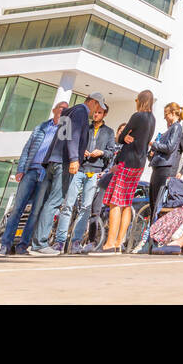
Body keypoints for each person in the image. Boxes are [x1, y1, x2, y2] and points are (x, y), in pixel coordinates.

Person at [33, 92, 108, 254]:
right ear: (93, 102)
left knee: (48, 202)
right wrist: (74, 158)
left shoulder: (70, 111)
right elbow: (73, 137)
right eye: (97, 106)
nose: (95, 111)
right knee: (55, 202)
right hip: (64, 161)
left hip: (53, 159)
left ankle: (38, 240)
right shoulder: (81, 112)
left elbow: (61, 136)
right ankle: (41, 243)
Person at [0, 102, 68, 256]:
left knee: (35, 212)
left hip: (46, 174)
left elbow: (65, 150)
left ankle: (23, 246)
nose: (63, 110)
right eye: (60, 107)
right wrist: (20, 169)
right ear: (54, 110)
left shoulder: (64, 130)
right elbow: (27, 149)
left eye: (66, 109)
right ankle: (5, 245)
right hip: (30, 171)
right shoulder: (41, 127)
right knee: (17, 210)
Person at [97, 89, 153, 253]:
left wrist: (125, 137)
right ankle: (119, 242)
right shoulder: (152, 119)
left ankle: (110, 243)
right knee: (127, 203)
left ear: (140, 101)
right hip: (139, 164)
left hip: (127, 162)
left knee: (115, 202)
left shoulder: (138, 116)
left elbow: (120, 137)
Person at [63, 95, 115, 252]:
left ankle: (76, 242)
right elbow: (76, 141)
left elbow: (111, 152)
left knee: (86, 207)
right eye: (96, 112)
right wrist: (81, 152)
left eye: (100, 112)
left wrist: (101, 152)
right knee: (68, 204)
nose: (96, 114)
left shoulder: (109, 132)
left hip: (95, 171)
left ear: (105, 114)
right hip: (80, 168)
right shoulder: (86, 126)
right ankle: (61, 240)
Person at [147, 101, 183, 214]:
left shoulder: (177, 128)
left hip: (165, 169)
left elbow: (169, 147)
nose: (164, 117)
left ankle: (155, 228)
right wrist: (152, 154)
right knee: (153, 200)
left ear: (172, 113)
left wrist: (153, 144)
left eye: (166, 114)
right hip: (159, 167)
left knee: (158, 202)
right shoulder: (170, 130)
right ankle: (152, 227)